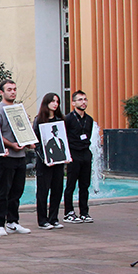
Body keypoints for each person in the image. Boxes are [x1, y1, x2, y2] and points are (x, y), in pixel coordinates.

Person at [0, 79, 34, 236]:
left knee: (17, 191)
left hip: (20, 156)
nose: (13, 92)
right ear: (1, 92)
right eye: (9, 89)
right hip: (6, 157)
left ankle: (12, 221)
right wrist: (11, 145)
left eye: (14, 89)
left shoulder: (18, 109)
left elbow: (25, 130)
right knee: (3, 191)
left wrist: (29, 142)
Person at [33, 92, 65, 230]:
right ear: (46, 103)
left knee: (57, 190)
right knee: (43, 191)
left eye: (57, 101)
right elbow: (36, 143)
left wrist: (66, 157)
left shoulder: (60, 120)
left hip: (58, 162)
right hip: (44, 162)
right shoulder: (39, 120)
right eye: (52, 101)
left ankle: (54, 218)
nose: (55, 104)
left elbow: (64, 142)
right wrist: (44, 158)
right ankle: (42, 220)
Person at [63, 90, 94, 224]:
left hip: (85, 153)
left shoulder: (89, 120)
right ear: (73, 103)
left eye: (85, 99)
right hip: (73, 153)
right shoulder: (68, 119)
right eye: (80, 99)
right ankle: (69, 212)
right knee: (71, 184)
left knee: (85, 185)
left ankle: (84, 212)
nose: (83, 102)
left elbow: (88, 136)